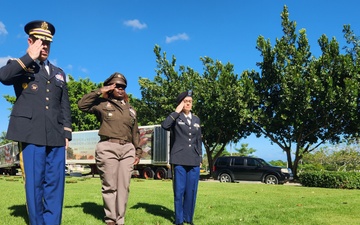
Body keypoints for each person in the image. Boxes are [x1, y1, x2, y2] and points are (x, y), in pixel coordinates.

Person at [0, 20, 72, 225]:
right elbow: (3, 77)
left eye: (48, 42)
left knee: (55, 184)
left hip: (56, 135)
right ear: (30, 41)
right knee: (34, 183)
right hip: (30, 133)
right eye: (40, 41)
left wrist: (67, 132)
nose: (45, 46)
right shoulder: (20, 65)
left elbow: (64, 104)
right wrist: (28, 56)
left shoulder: (59, 72)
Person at [78, 72, 142, 225]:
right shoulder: (101, 104)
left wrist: (138, 151)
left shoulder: (131, 110)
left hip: (127, 149)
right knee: (110, 185)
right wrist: (101, 90)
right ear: (111, 87)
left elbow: (136, 133)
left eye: (123, 87)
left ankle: (120, 220)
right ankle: (110, 219)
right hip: (108, 147)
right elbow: (82, 105)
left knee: (124, 186)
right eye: (117, 86)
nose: (120, 89)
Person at [161, 90, 202, 225]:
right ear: (181, 103)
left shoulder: (196, 119)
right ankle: (179, 220)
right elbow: (164, 125)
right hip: (178, 158)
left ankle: (188, 219)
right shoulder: (175, 118)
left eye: (190, 101)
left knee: (191, 190)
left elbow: (198, 141)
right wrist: (176, 112)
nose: (188, 103)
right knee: (179, 190)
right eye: (185, 101)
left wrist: (200, 158)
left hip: (194, 159)